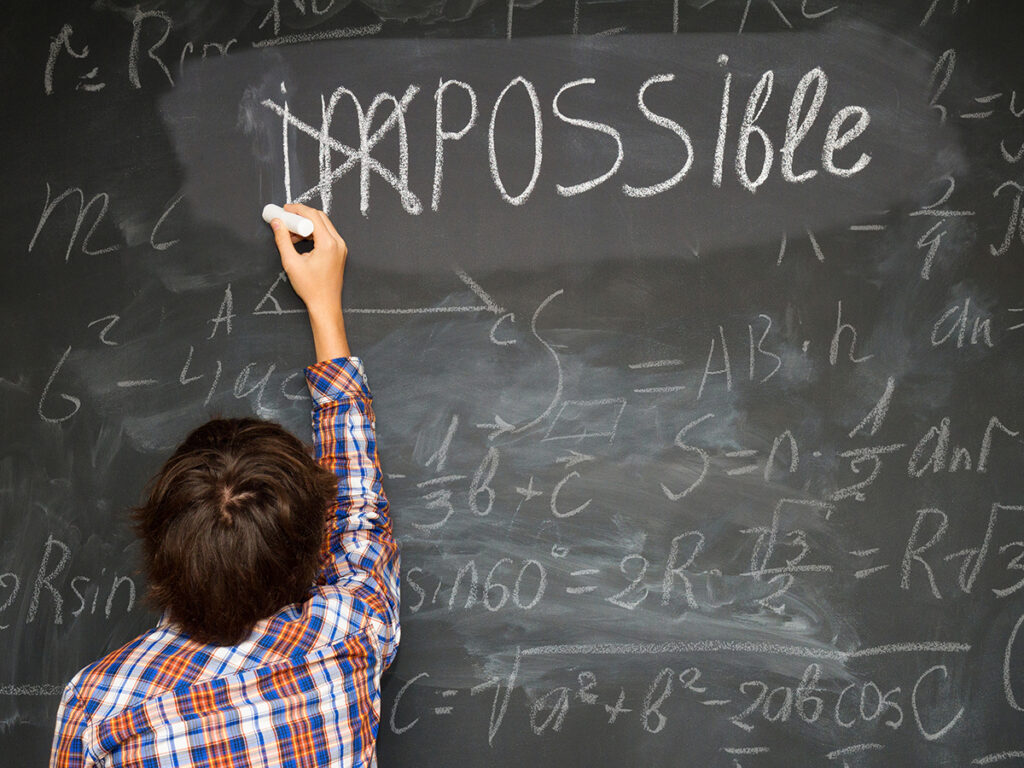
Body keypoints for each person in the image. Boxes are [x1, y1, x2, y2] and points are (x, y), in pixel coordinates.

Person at [49, 204, 399, 767]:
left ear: (159, 546)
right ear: (312, 550)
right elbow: (359, 512)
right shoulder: (346, 638)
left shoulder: (102, 711)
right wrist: (324, 307)